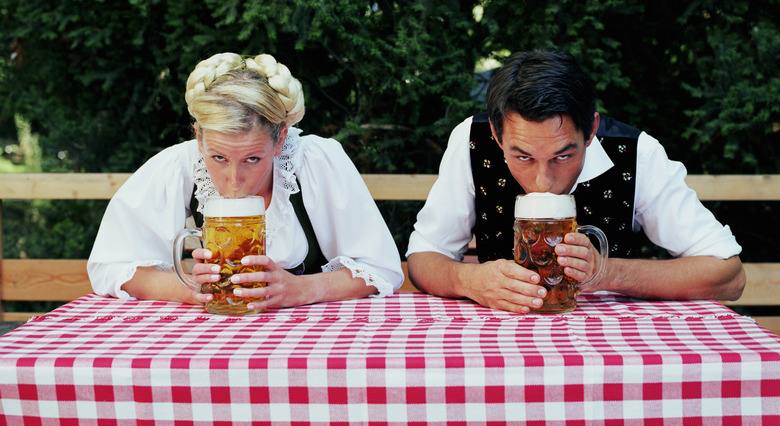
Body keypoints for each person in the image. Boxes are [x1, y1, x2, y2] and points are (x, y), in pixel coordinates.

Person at [406, 48, 745, 313]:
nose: (543, 181)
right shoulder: (472, 140)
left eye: (563, 156)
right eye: (523, 156)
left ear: (591, 131)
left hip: (612, 353)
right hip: (500, 348)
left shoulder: (636, 153)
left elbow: (729, 275)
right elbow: (424, 257)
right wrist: (468, 279)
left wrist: (607, 272)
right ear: (497, 134)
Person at [88, 52, 404, 311]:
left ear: (280, 138)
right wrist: (190, 287)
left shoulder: (314, 160)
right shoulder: (179, 165)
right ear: (199, 137)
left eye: (252, 159)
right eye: (219, 158)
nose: (234, 182)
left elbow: (382, 269)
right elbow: (111, 265)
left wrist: (300, 289)